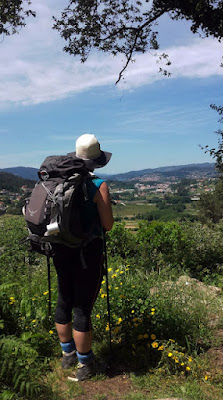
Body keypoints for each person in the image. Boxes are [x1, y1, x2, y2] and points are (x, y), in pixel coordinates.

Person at [52, 133, 114, 381]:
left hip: (60, 249)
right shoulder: (98, 185)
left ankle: (67, 357)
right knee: (82, 307)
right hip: (88, 253)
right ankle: (85, 365)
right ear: (96, 160)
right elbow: (107, 225)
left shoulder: (60, 181)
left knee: (64, 300)